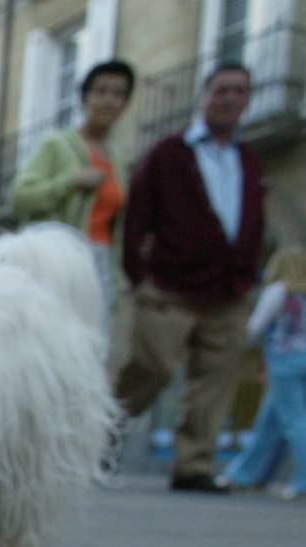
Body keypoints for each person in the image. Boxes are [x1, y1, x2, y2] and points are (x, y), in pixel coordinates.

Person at [113, 63, 265, 493]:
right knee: (151, 368)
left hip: (230, 291)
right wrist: (138, 277)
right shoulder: (168, 152)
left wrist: (249, 275)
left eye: (241, 91)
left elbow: (252, 219)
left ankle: (194, 464)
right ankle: (96, 444)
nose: (231, 99)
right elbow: (136, 217)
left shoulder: (249, 159)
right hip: (168, 287)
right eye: (223, 90)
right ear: (204, 96)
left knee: (215, 380)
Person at [10, 59, 135, 365]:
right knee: (49, 349)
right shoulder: (58, 146)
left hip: (101, 263)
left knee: (92, 350)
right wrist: (69, 182)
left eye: (118, 94)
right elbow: (20, 197)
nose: (108, 100)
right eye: (100, 91)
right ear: (84, 98)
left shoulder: (117, 160)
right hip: (57, 264)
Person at [220, 248, 306, 499]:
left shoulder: (279, 291)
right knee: (271, 420)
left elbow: (256, 327)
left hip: (284, 358)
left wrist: (234, 348)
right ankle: (245, 474)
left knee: (294, 421)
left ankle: (303, 480)